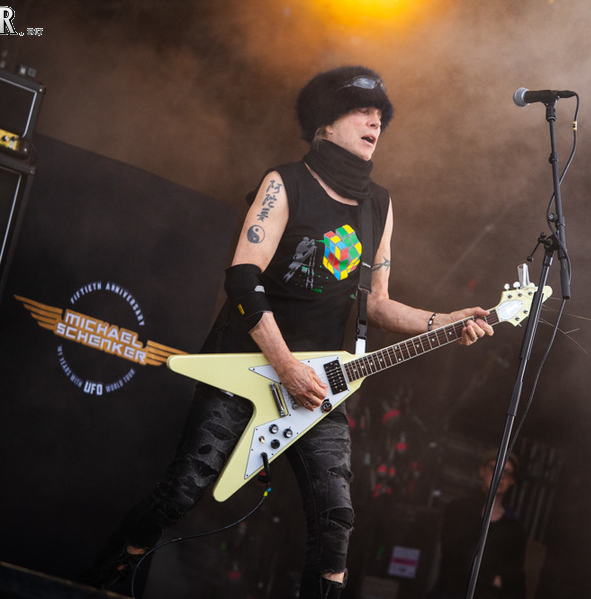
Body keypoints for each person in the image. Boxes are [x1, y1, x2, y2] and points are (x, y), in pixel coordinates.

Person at [80, 65, 494, 599]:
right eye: (362, 111)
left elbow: (376, 303)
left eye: (380, 116)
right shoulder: (284, 183)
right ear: (326, 122)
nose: (376, 122)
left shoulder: (379, 205)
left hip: (319, 381)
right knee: (183, 490)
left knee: (336, 519)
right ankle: (97, 583)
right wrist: (285, 365)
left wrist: (445, 321)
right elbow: (242, 276)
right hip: (247, 362)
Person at [428, 452, 528, 599]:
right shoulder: (459, 509)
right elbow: (454, 558)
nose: (501, 476)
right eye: (494, 468)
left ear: (512, 480)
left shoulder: (514, 528)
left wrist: (496, 579)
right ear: (482, 471)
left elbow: (515, 579)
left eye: (507, 472)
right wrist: (492, 578)